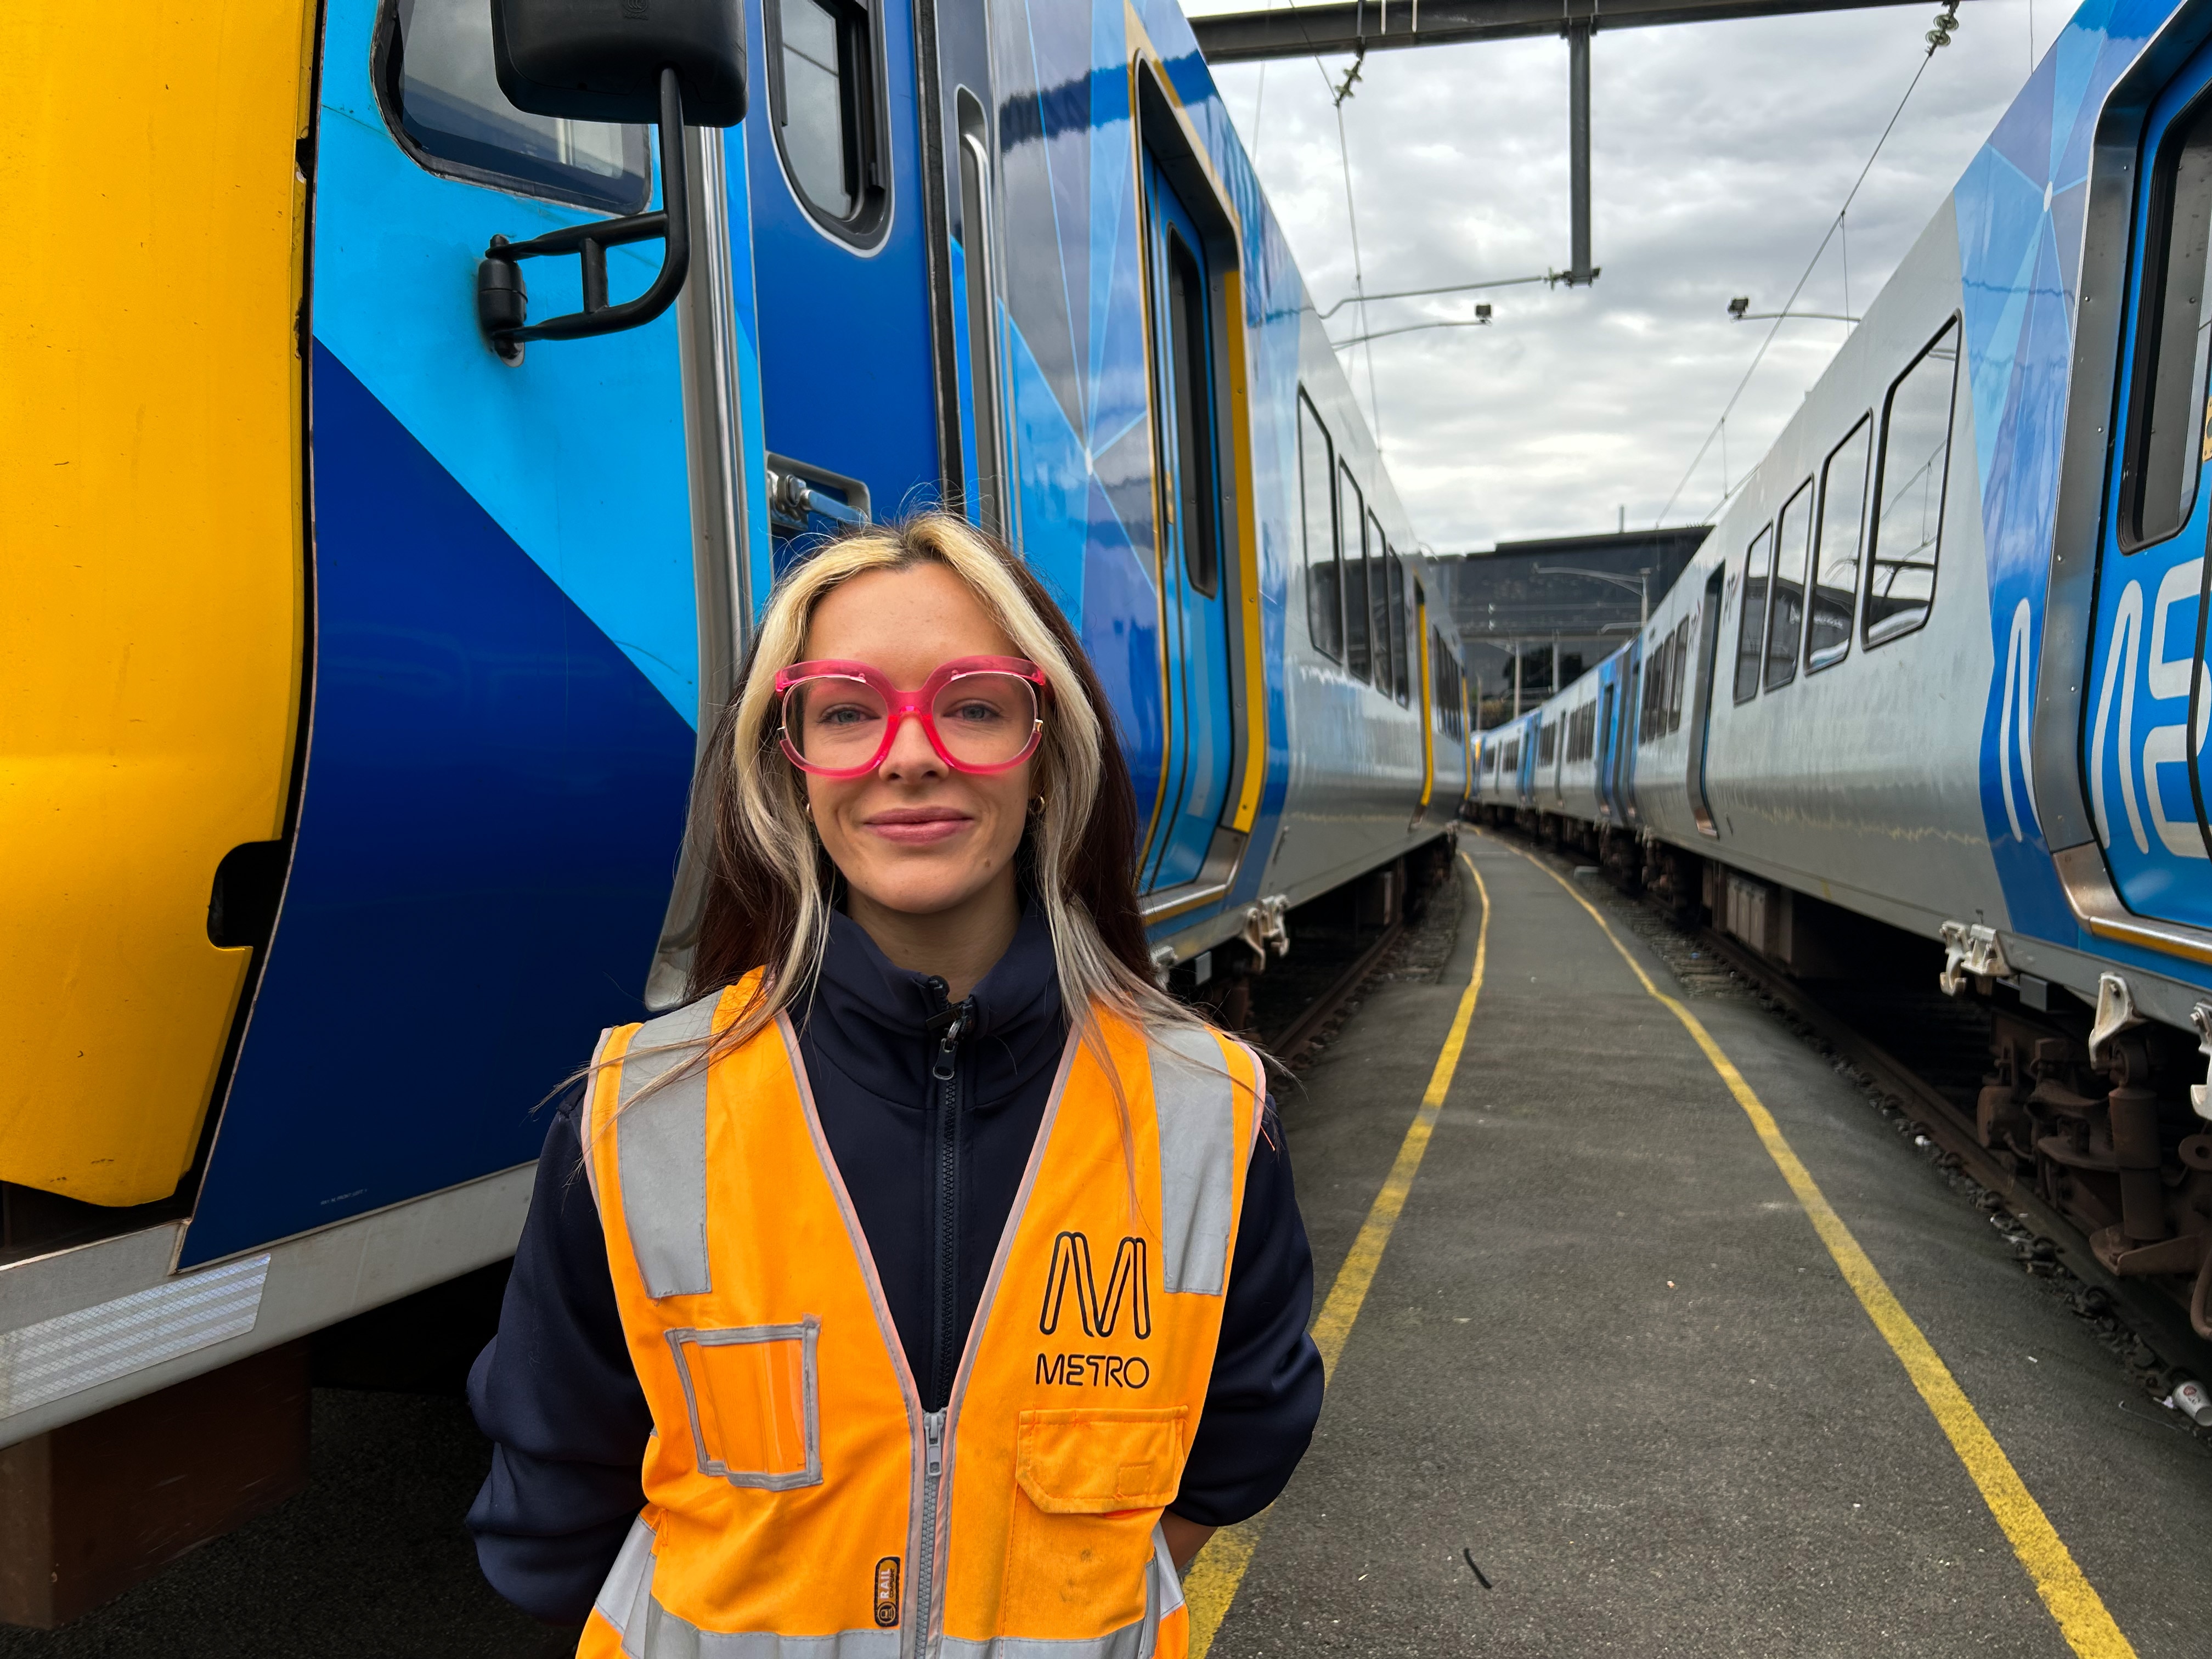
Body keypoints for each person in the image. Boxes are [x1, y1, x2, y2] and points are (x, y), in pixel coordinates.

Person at [466, 511, 1324, 1657]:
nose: (908, 752)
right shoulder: (636, 1116)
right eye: (849, 713)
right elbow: (551, 1513)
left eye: (972, 706)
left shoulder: (1206, 1113)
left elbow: (1242, 1440)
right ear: (791, 770)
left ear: (1044, 748)